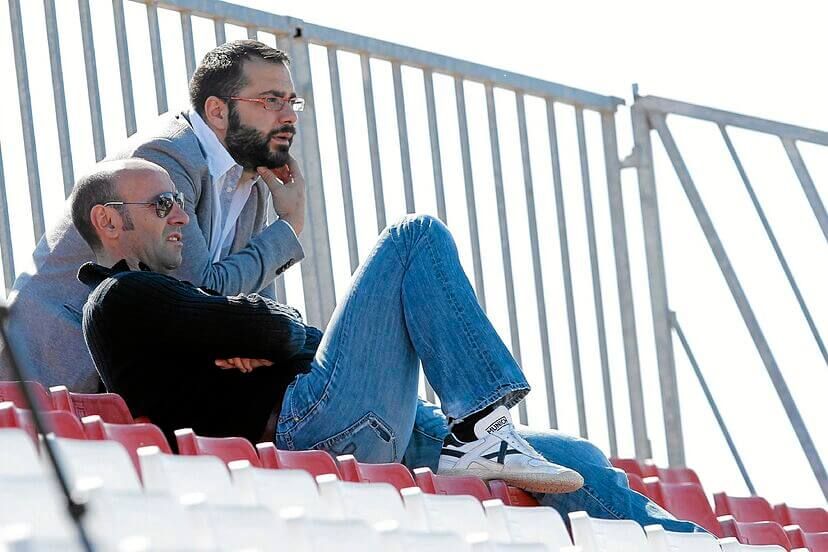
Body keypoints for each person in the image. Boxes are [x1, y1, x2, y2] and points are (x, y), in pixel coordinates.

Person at [71, 159, 700, 531]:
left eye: (181, 200)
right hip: (309, 426)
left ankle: (685, 539)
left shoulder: (171, 301)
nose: (181, 214)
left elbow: (264, 330)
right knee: (414, 237)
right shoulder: (121, 300)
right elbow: (261, 328)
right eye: (162, 204)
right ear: (109, 220)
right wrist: (277, 337)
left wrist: (275, 338)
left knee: (577, 458)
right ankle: (481, 426)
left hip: (367, 419)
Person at [0, 40, 306, 391]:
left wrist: (262, 341)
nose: (289, 116)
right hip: (54, 365)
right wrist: (288, 227)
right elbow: (195, 289)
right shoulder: (163, 157)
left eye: (292, 102)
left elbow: (252, 299)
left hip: (133, 368)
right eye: (271, 101)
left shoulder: (250, 182)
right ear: (218, 111)